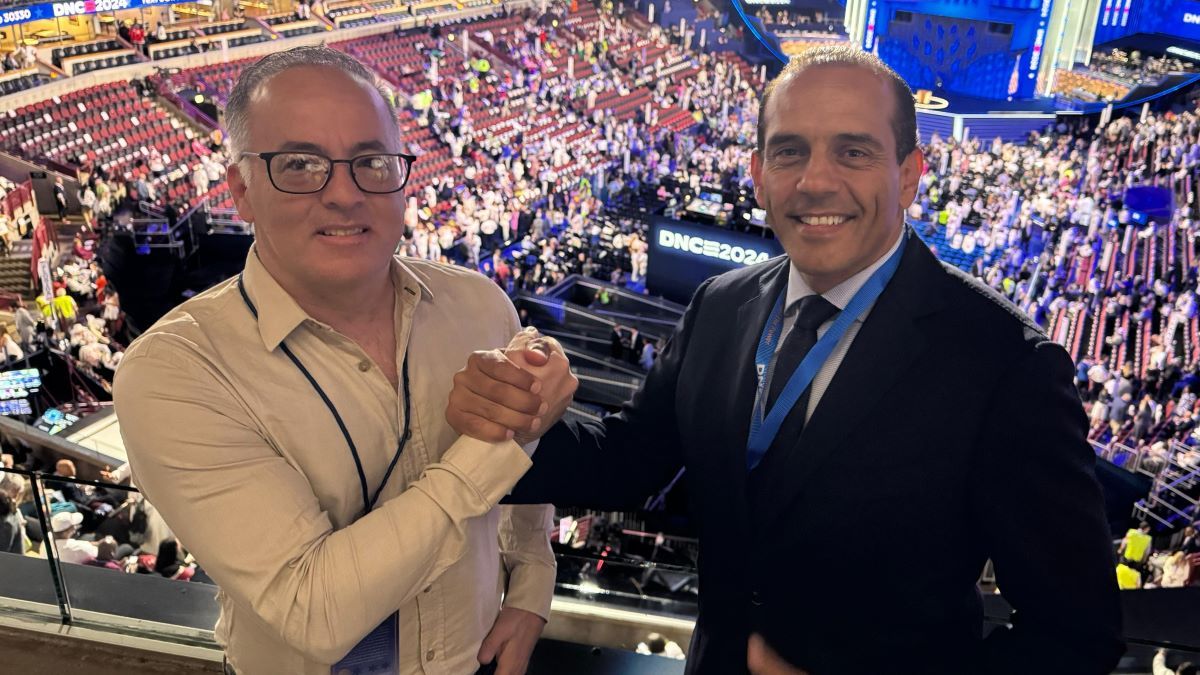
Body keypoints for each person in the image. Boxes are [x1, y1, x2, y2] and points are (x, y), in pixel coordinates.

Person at [446, 46, 1122, 674]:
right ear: (760, 175)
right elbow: (629, 460)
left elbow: (1075, 635)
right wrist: (518, 425)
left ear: (910, 175)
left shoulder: (1006, 362)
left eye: (853, 152)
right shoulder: (721, 304)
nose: (816, 181)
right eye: (790, 151)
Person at [112, 46, 554, 675]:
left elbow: (525, 475)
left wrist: (532, 582)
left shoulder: (478, 307)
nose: (344, 194)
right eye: (299, 164)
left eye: (371, 162)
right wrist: (491, 443)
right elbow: (316, 611)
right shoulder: (175, 373)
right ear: (240, 188)